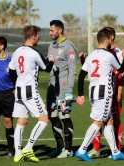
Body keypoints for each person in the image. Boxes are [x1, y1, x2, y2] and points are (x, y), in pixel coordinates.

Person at [75, 28, 124, 162]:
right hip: (104, 92)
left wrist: (80, 94)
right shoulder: (108, 55)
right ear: (107, 40)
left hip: (94, 91)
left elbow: (82, 75)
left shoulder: (92, 55)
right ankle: (82, 150)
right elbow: (121, 69)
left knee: (109, 120)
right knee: (99, 122)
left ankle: (115, 152)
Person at [9, 25, 55, 163]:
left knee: (21, 121)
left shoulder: (17, 51)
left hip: (19, 90)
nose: (39, 38)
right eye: (38, 36)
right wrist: (51, 61)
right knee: (44, 119)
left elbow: (11, 71)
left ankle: (17, 154)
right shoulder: (34, 52)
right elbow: (46, 68)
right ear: (34, 36)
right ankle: (28, 148)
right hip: (30, 91)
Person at [86, 27, 124, 158]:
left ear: (111, 38)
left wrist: (120, 90)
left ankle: (117, 150)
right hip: (102, 91)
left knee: (114, 120)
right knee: (99, 119)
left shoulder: (118, 52)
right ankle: (96, 149)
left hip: (112, 92)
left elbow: (123, 72)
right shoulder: (99, 52)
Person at [46, 20, 77, 158]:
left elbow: (72, 69)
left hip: (63, 88)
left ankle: (68, 149)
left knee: (64, 116)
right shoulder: (51, 46)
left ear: (59, 30)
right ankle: (59, 147)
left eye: (52, 30)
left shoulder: (69, 46)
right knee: (52, 116)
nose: (49, 33)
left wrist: (69, 90)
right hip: (52, 87)